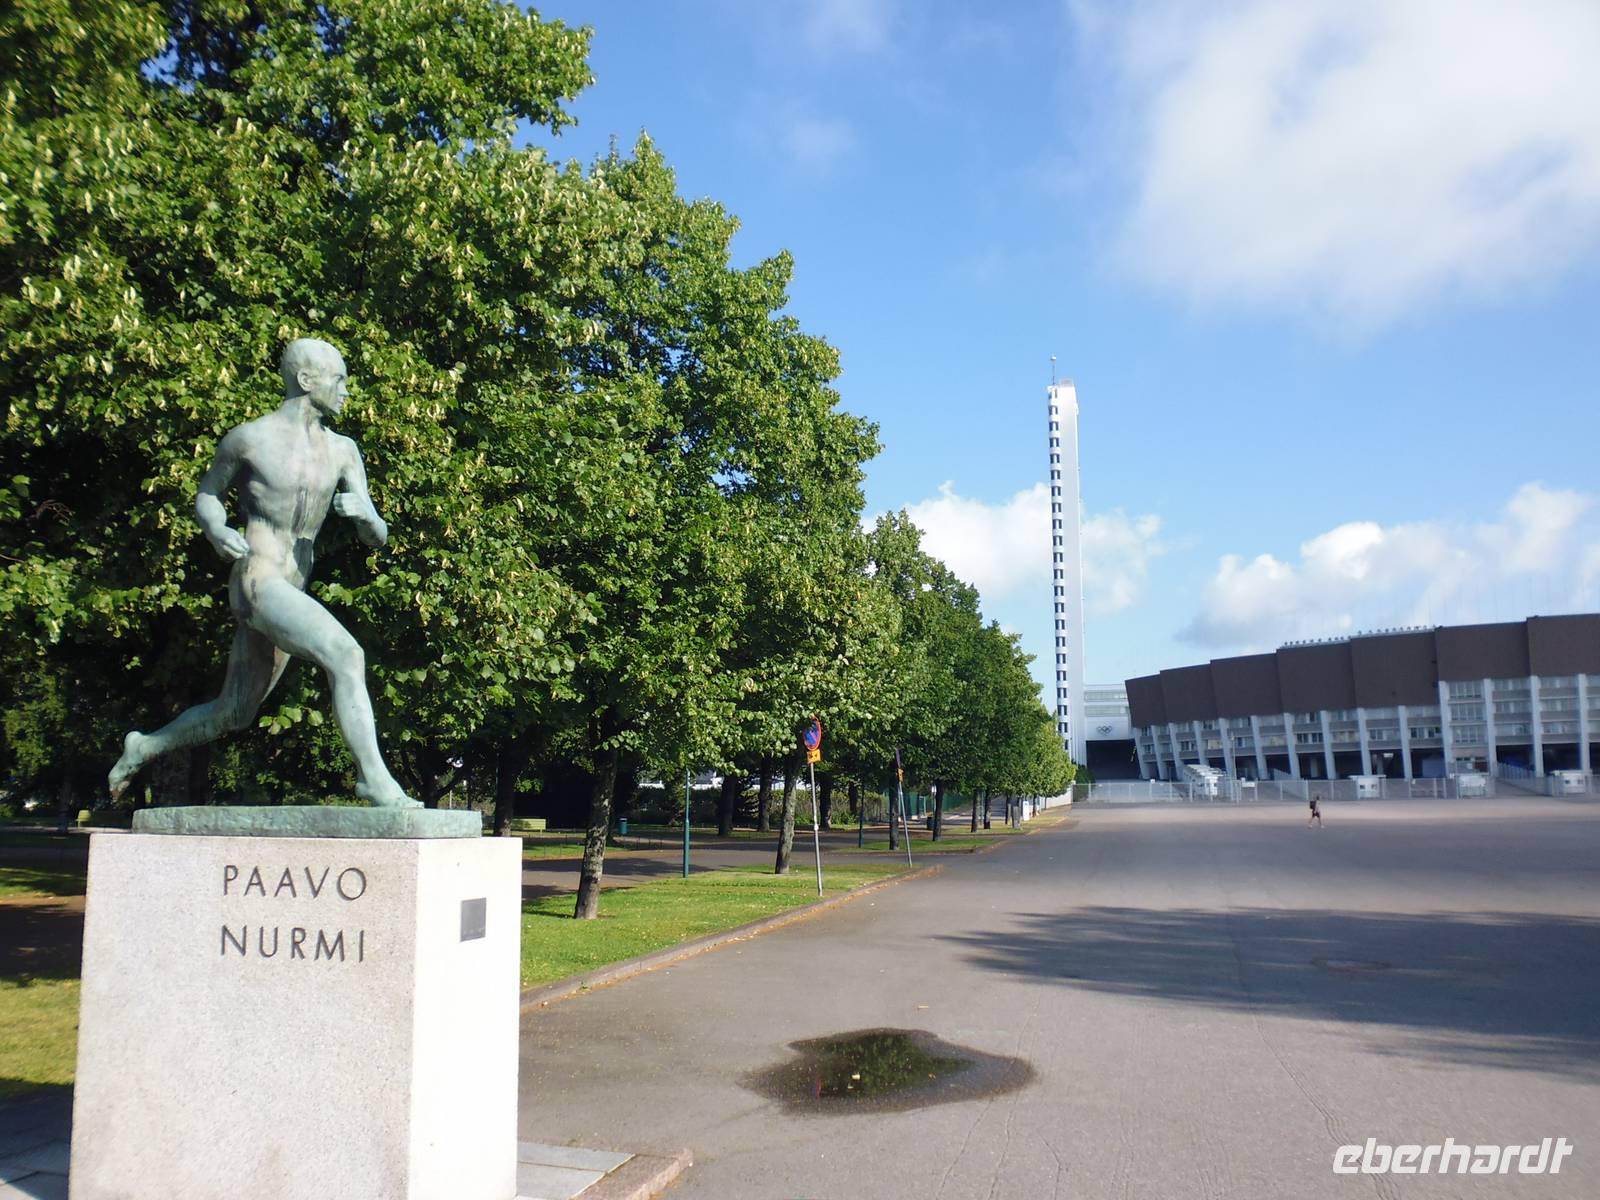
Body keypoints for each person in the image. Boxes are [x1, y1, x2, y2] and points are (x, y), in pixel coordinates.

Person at [108, 338, 417, 807]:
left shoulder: (344, 451)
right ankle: (374, 780)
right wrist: (216, 528)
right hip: (258, 577)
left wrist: (369, 517)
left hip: (292, 587)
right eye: (339, 380)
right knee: (346, 655)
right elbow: (207, 493)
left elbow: (378, 536)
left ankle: (143, 746)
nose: (346, 391)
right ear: (306, 379)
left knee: (233, 713)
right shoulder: (250, 438)